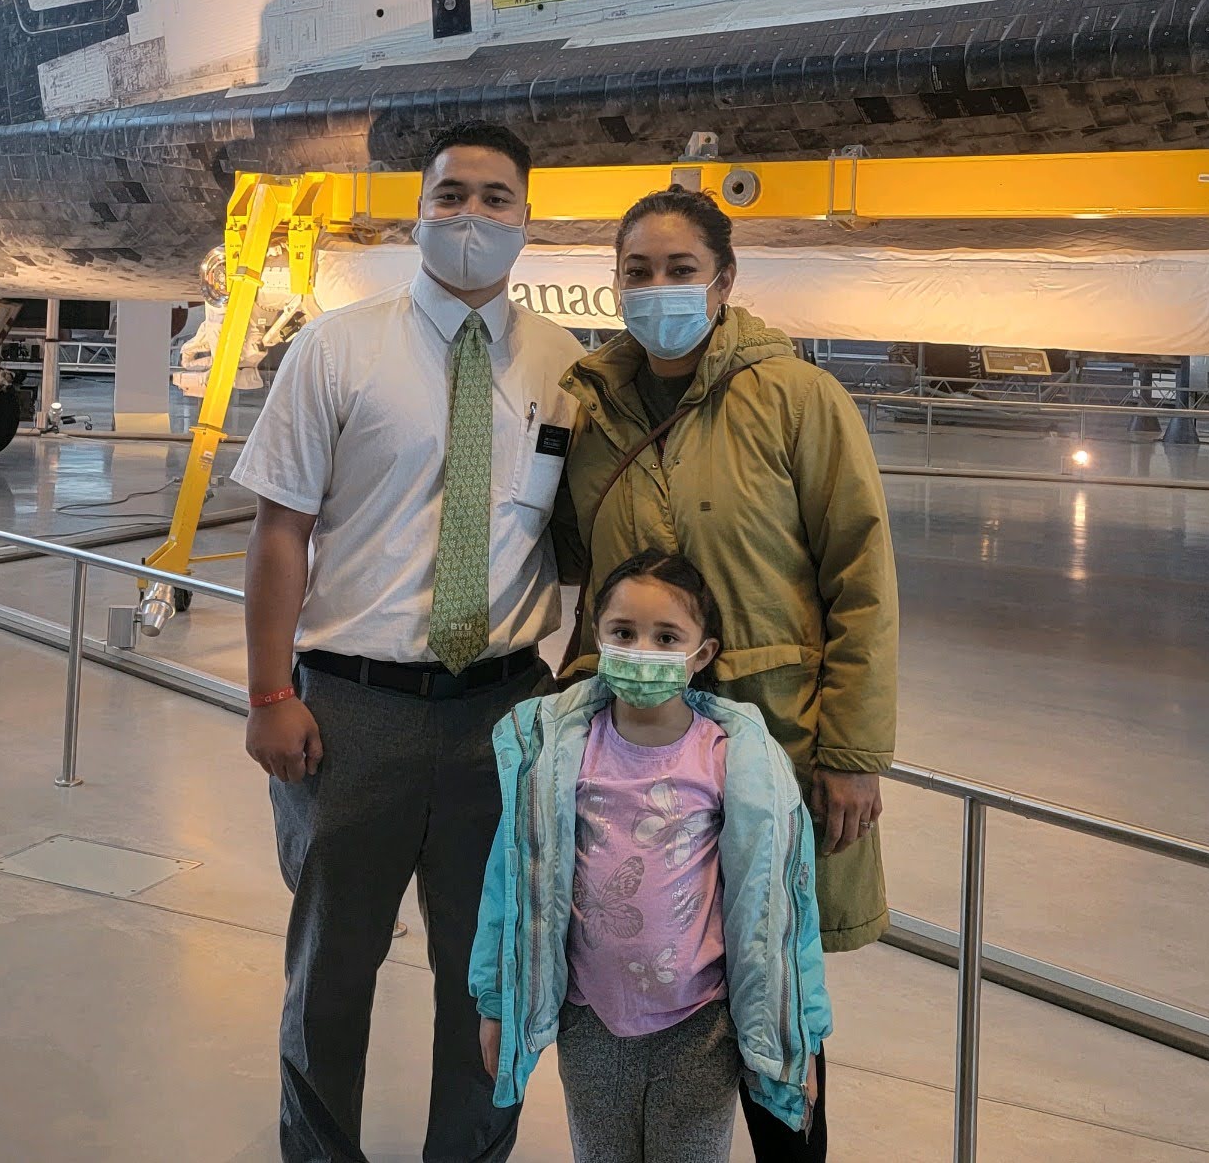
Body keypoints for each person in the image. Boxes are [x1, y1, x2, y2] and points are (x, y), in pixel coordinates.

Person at [235, 119, 585, 1163]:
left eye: (494, 197)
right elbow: (279, 527)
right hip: (352, 711)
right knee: (331, 970)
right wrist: (268, 693)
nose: (470, 215)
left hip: (505, 710)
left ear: (525, 219)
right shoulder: (337, 347)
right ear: (418, 211)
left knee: (491, 976)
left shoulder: (568, 367)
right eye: (450, 195)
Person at [552, 187, 898, 1161]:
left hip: (773, 751)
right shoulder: (592, 410)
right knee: (652, 972)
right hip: (633, 764)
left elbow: (860, 577)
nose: (657, 287)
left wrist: (853, 751)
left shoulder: (796, 399)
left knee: (775, 1005)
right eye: (637, 270)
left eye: (680, 268)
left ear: (724, 279)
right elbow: (577, 567)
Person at [471, 549, 830, 1163]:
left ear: (703, 653)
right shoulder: (554, 758)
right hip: (590, 1020)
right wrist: (497, 1000)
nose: (642, 650)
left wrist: (800, 1037)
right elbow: (512, 883)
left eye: (666, 637)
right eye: (623, 632)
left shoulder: (733, 761)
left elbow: (783, 913)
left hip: (699, 1027)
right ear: (597, 637)